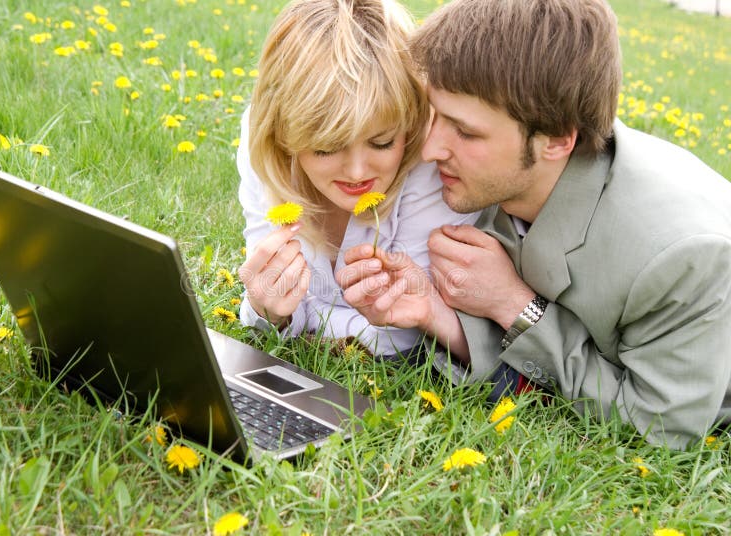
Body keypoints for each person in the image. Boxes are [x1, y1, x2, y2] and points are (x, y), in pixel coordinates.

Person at [338, 0, 731, 447]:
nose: (429, 150)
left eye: (465, 132)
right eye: (435, 116)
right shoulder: (501, 177)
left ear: (558, 140)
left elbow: (660, 429)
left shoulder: (684, 257)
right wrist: (439, 315)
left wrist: (515, 306)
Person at [236, 0, 478, 357]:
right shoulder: (265, 145)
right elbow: (264, 302)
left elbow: (406, 331)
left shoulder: (432, 164)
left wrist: (307, 322)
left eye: (381, 142)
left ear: (409, 124)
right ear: (284, 136)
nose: (357, 172)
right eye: (326, 148)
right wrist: (265, 310)